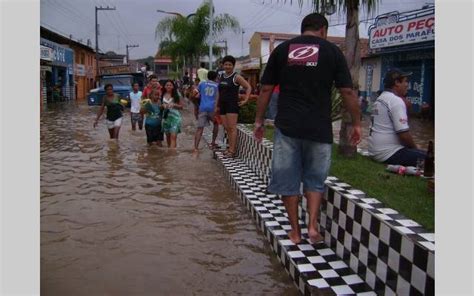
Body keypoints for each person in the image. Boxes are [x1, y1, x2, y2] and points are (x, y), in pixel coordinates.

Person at [253, 13, 361, 245]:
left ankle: (295, 232)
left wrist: (259, 121)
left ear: (304, 29)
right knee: (315, 179)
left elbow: (265, 90)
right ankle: (312, 227)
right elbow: (348, 92)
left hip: (288, 128)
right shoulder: (333, 52)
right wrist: (358, 123)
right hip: (319, 129)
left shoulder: (282, 51)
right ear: (323, 30)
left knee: (288, 181)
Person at [368, 68, 426, 167]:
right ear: (396, 83)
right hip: (388, 153)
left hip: (375, 151)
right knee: (429, 158)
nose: (407, 85)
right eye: (405, 81)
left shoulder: (379, 99)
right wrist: (415, 150)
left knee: (422, 153)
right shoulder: (395, 101)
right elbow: (404, 135)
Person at [217, 55, 252, 158]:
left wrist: (246, 99)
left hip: (231, 105)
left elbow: (248, 87)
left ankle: (232, 151)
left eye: (230, 65)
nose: (227, 66)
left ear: (233, 66)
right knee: (227, 128)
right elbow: (219, 92)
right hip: (222, 105)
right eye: (225, 64)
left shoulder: (236, 77)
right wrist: (216, 105)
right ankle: (229, 147)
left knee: (232, 128)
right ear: (223, 65)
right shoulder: (222, 76)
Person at [194, 71, 220, 152]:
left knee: (200, 128)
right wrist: (216, 109)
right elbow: (217, 98)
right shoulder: (217, 86)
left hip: (202, 108)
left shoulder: (202, 84)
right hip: (212, 108)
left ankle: (195, 148)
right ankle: (213, 142)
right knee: (216, 124)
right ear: (216, 77)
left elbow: (196, 93)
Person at [161, 80, 184, 148]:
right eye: (167, 85)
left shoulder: (177, 95)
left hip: (175, 118)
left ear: (173, 86)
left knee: (173, 137)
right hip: (166, 118)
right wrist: (163, 106)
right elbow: (159, 106)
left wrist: (174, 105)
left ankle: (172, 154)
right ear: (164, 86)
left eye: (170, 85)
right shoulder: (162, 94)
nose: (168, 86)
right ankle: (170, 155)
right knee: (168, 138)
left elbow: (181, 106)